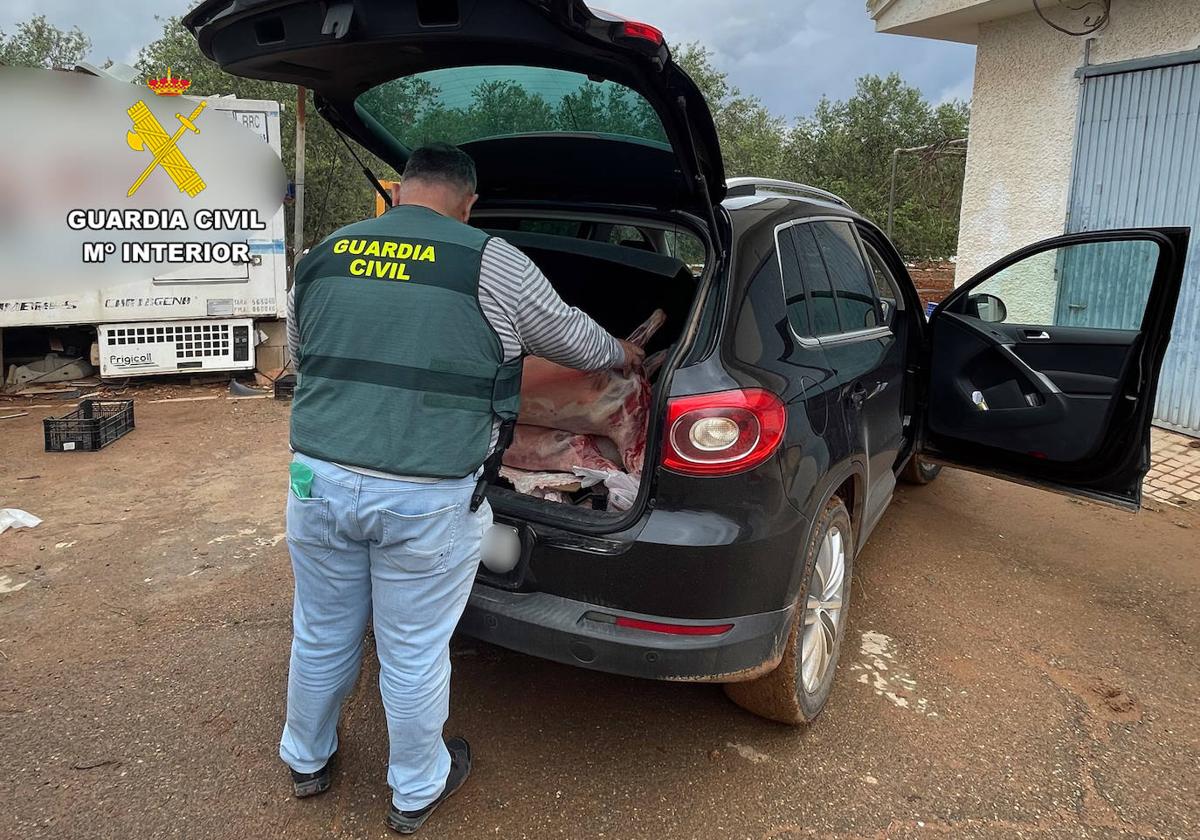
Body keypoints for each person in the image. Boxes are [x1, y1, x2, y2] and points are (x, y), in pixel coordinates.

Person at [280, 143, 643, 834]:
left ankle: (306, 759)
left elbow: (305, 355)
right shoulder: (488, 258)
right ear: (469, 201)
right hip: (426, 495)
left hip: (318, 480)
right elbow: (570, 337)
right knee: (411, 646)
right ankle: (415, 790)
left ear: (402, 190)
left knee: (322, 631)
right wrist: (621, 352)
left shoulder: (325, 252)